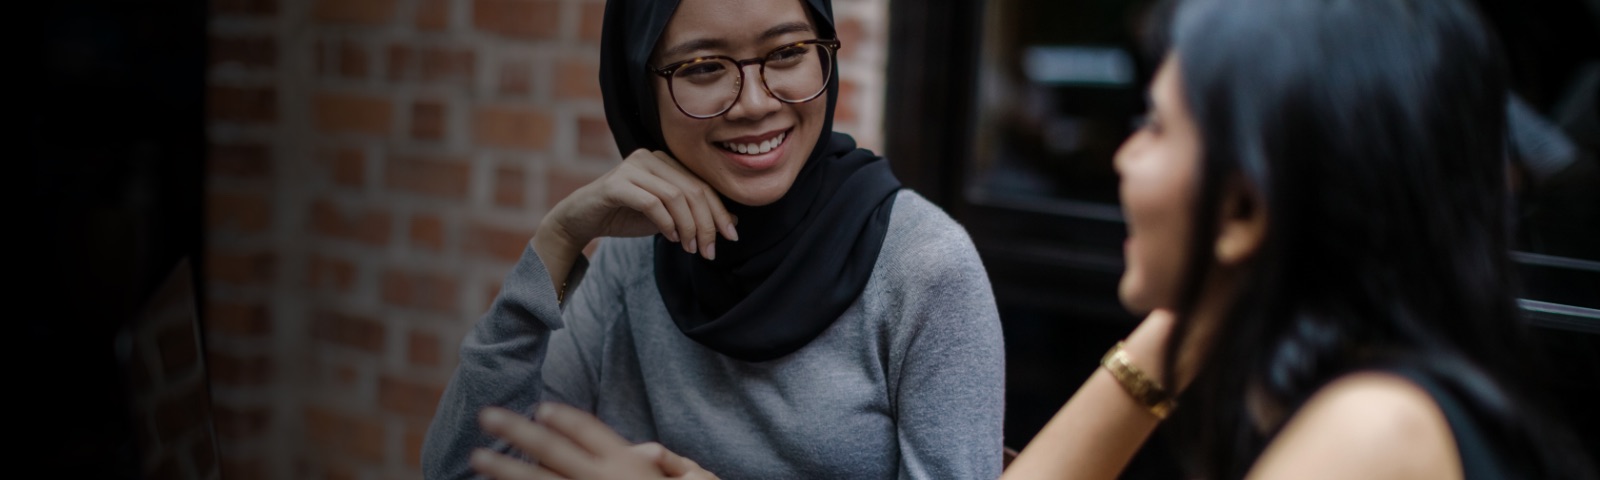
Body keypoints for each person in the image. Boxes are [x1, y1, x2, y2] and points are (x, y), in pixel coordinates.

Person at [1000, 0, 1600, 478]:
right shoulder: (1377, 395)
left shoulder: (1370, 429)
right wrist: (1201, 306)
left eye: (1153, 126)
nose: (1124, 156)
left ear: (1245, 207)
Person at [420, 0, 1006, 478]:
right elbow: (464, 472)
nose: (754, 103)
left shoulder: (923, 267)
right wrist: (559, 239)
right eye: (702, 67)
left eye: (787, 52)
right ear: (639, 86)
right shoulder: (639, 253)